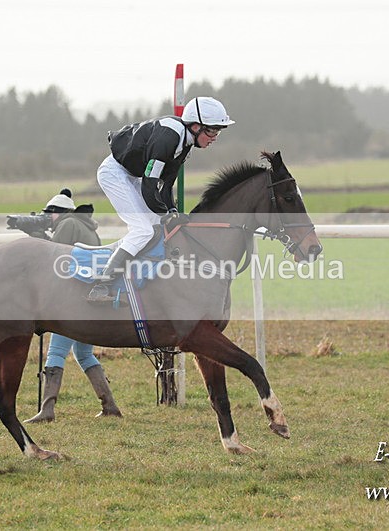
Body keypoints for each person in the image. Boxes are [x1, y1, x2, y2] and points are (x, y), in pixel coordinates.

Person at [87, 96, 235, 302]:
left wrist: (172, 211)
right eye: (212, 130)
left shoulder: (185, 143)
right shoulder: (169, 138)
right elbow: (150, 186)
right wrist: (166, 213)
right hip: (114, 174)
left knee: (156, 226)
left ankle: (141, 279)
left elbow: (165, 185)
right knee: (143, 229)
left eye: (217, 131)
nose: (215, 137)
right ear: (195, 126)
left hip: (133, 175)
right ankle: (102, 284)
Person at [25, 188, 123, 422]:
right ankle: (109, 406)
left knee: (56, 351)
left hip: (73, 300)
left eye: (50, 213)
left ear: (60, 212)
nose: (48, 217)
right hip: (88, 298)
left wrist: (37, 236)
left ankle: (47, 411)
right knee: (83, 353)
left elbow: (51, 257)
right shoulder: (83, 225)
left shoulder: (68, 224)